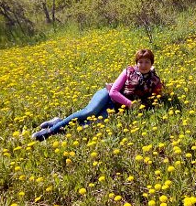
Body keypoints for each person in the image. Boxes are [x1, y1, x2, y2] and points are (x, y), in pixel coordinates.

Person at [32, 49, 163, 141]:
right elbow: (113, 91)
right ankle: (49, 132)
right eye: (140, 62)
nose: (143, 65)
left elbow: (156, 98)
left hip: (117, 108)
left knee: (88, 124)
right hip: (107, 96)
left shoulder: (155, 80)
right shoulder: (128, 71)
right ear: (136, 63)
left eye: (146, 62)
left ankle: (58, 122)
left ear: (152, 63)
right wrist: (130, 104)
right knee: (89, 112)